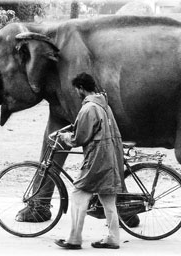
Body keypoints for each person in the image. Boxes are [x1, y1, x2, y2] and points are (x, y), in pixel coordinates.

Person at [54, 72, 125, 250]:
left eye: (76, 89)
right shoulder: (104, 105)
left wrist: (64, 136)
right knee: (108, 200)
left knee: (79, 194)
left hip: (97, 159)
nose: (76, 93)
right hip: (112, 156)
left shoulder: (88, 108)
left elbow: (80, 137)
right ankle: (113, 239)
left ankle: (74, 239)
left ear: (80, 88)